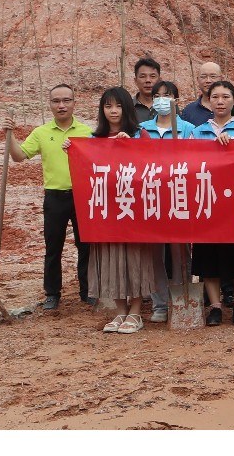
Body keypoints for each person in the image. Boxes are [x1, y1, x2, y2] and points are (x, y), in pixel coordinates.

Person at [3, 84, 93, 311]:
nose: (61, 105)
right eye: (56, 101)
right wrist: (10, 135)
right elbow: (18, 156)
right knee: (53, 247)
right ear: (50, 104)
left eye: (66, 100)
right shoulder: (41, 133)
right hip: (54, 198)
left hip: (83, 196)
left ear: (74, 102)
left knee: (87, 246)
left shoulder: (87, 132)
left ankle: (88, 291)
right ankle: (52, 293)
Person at [87, 87, 159, 333]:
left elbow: (153, 169)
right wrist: (72, 150)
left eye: (118, 106)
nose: (113, 111)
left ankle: (136, 313)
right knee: (112, 259)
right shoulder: (94, 140)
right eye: (108, 106)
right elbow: (86, 173)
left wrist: (133, 148)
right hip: (107, 212)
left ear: (127, 108)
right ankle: (119, 312)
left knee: (135, 258)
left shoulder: (141, 134)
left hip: (135, 210)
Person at [190, 81, 234, 326]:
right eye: (215, 96)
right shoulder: (198, 130)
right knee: (208, 255)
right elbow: (190, 161)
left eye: (226, 96)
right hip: (208, 200)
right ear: (208, 101)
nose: (220, 101)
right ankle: (215, 306)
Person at [136, 81, 195, 322]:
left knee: (181, 250)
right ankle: (160, 303)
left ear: (176, 100)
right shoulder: (142, 129)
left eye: (167, 95)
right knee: (154, 252)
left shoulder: (189, 128)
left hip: (180, 194)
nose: (161, 99)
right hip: (150, 195)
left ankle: (183, 297)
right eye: (157, 95)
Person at [180, 61, 234, 126]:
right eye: (203, 77)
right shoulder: (189, 111)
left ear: (221, 78)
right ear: (197, 80)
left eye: (213, 76)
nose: (208, 80)